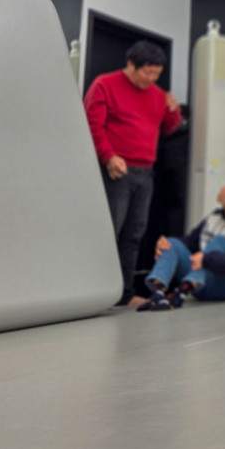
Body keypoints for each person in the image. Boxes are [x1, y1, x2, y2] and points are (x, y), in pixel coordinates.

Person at [84, 41, 182, 307]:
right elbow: (92, 125)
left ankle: (124, 294)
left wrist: (173, 110)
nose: (151, 79)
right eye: (147, 72)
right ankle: (96, 293)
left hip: (145, 172)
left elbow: (168, 128)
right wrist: (108, 156)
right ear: (131, 64)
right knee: (109, 233)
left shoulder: (157, 94)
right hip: (117, 170)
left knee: (134, 236)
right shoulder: (105, 84)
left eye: (156, 74)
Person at [137, 175, 225, 311]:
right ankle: (158, 293)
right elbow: (190, 242)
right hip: (203, 283)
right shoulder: (215, 217)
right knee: (172, 243)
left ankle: (181, 293)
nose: (223, 188)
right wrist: (165, 244)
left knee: (219, 241)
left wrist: (206, 260)